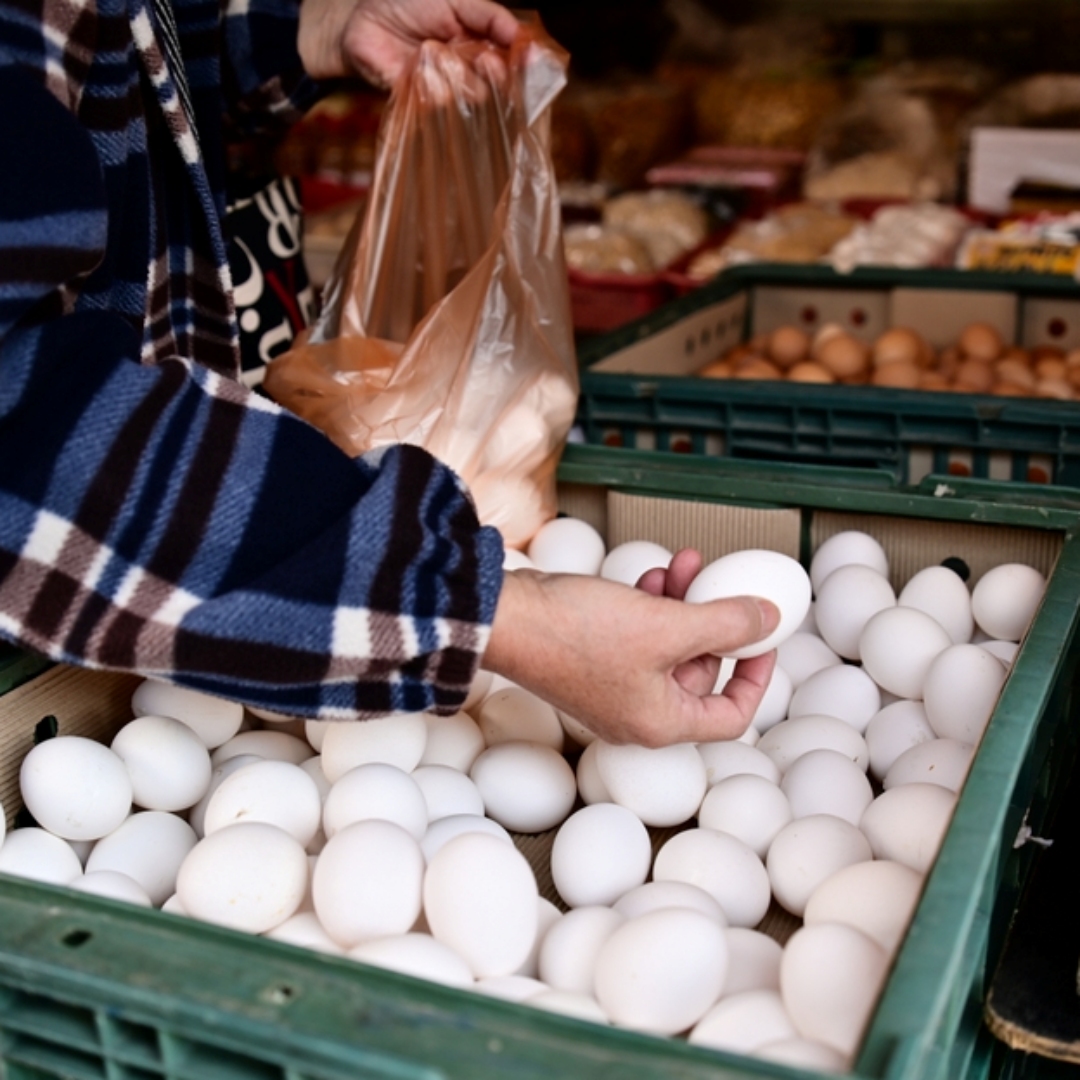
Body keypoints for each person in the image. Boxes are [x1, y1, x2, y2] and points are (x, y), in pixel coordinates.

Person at [0, 0, 778, 748]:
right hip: (59, 604)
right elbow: (17, 422)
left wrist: (305, 31)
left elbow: (102, 51)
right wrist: (504, 617)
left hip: (136, 578)